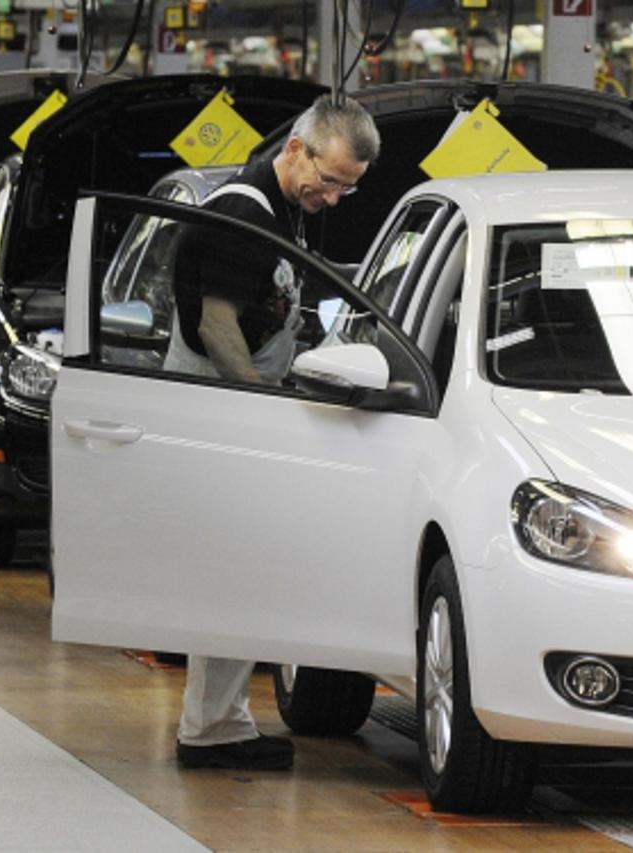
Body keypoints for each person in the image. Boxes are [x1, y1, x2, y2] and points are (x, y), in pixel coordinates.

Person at [165, 94, 380, 771]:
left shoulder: (282, 206)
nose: (334, 198)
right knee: (232, 574)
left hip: (233, 410)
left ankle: (217, 720)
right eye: (331, 179)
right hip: (223, 413)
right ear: (296, 149)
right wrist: (261, 406)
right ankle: (210, 728)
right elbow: (215, 324)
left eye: (348, 187)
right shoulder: (244, 213)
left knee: (236, 575)